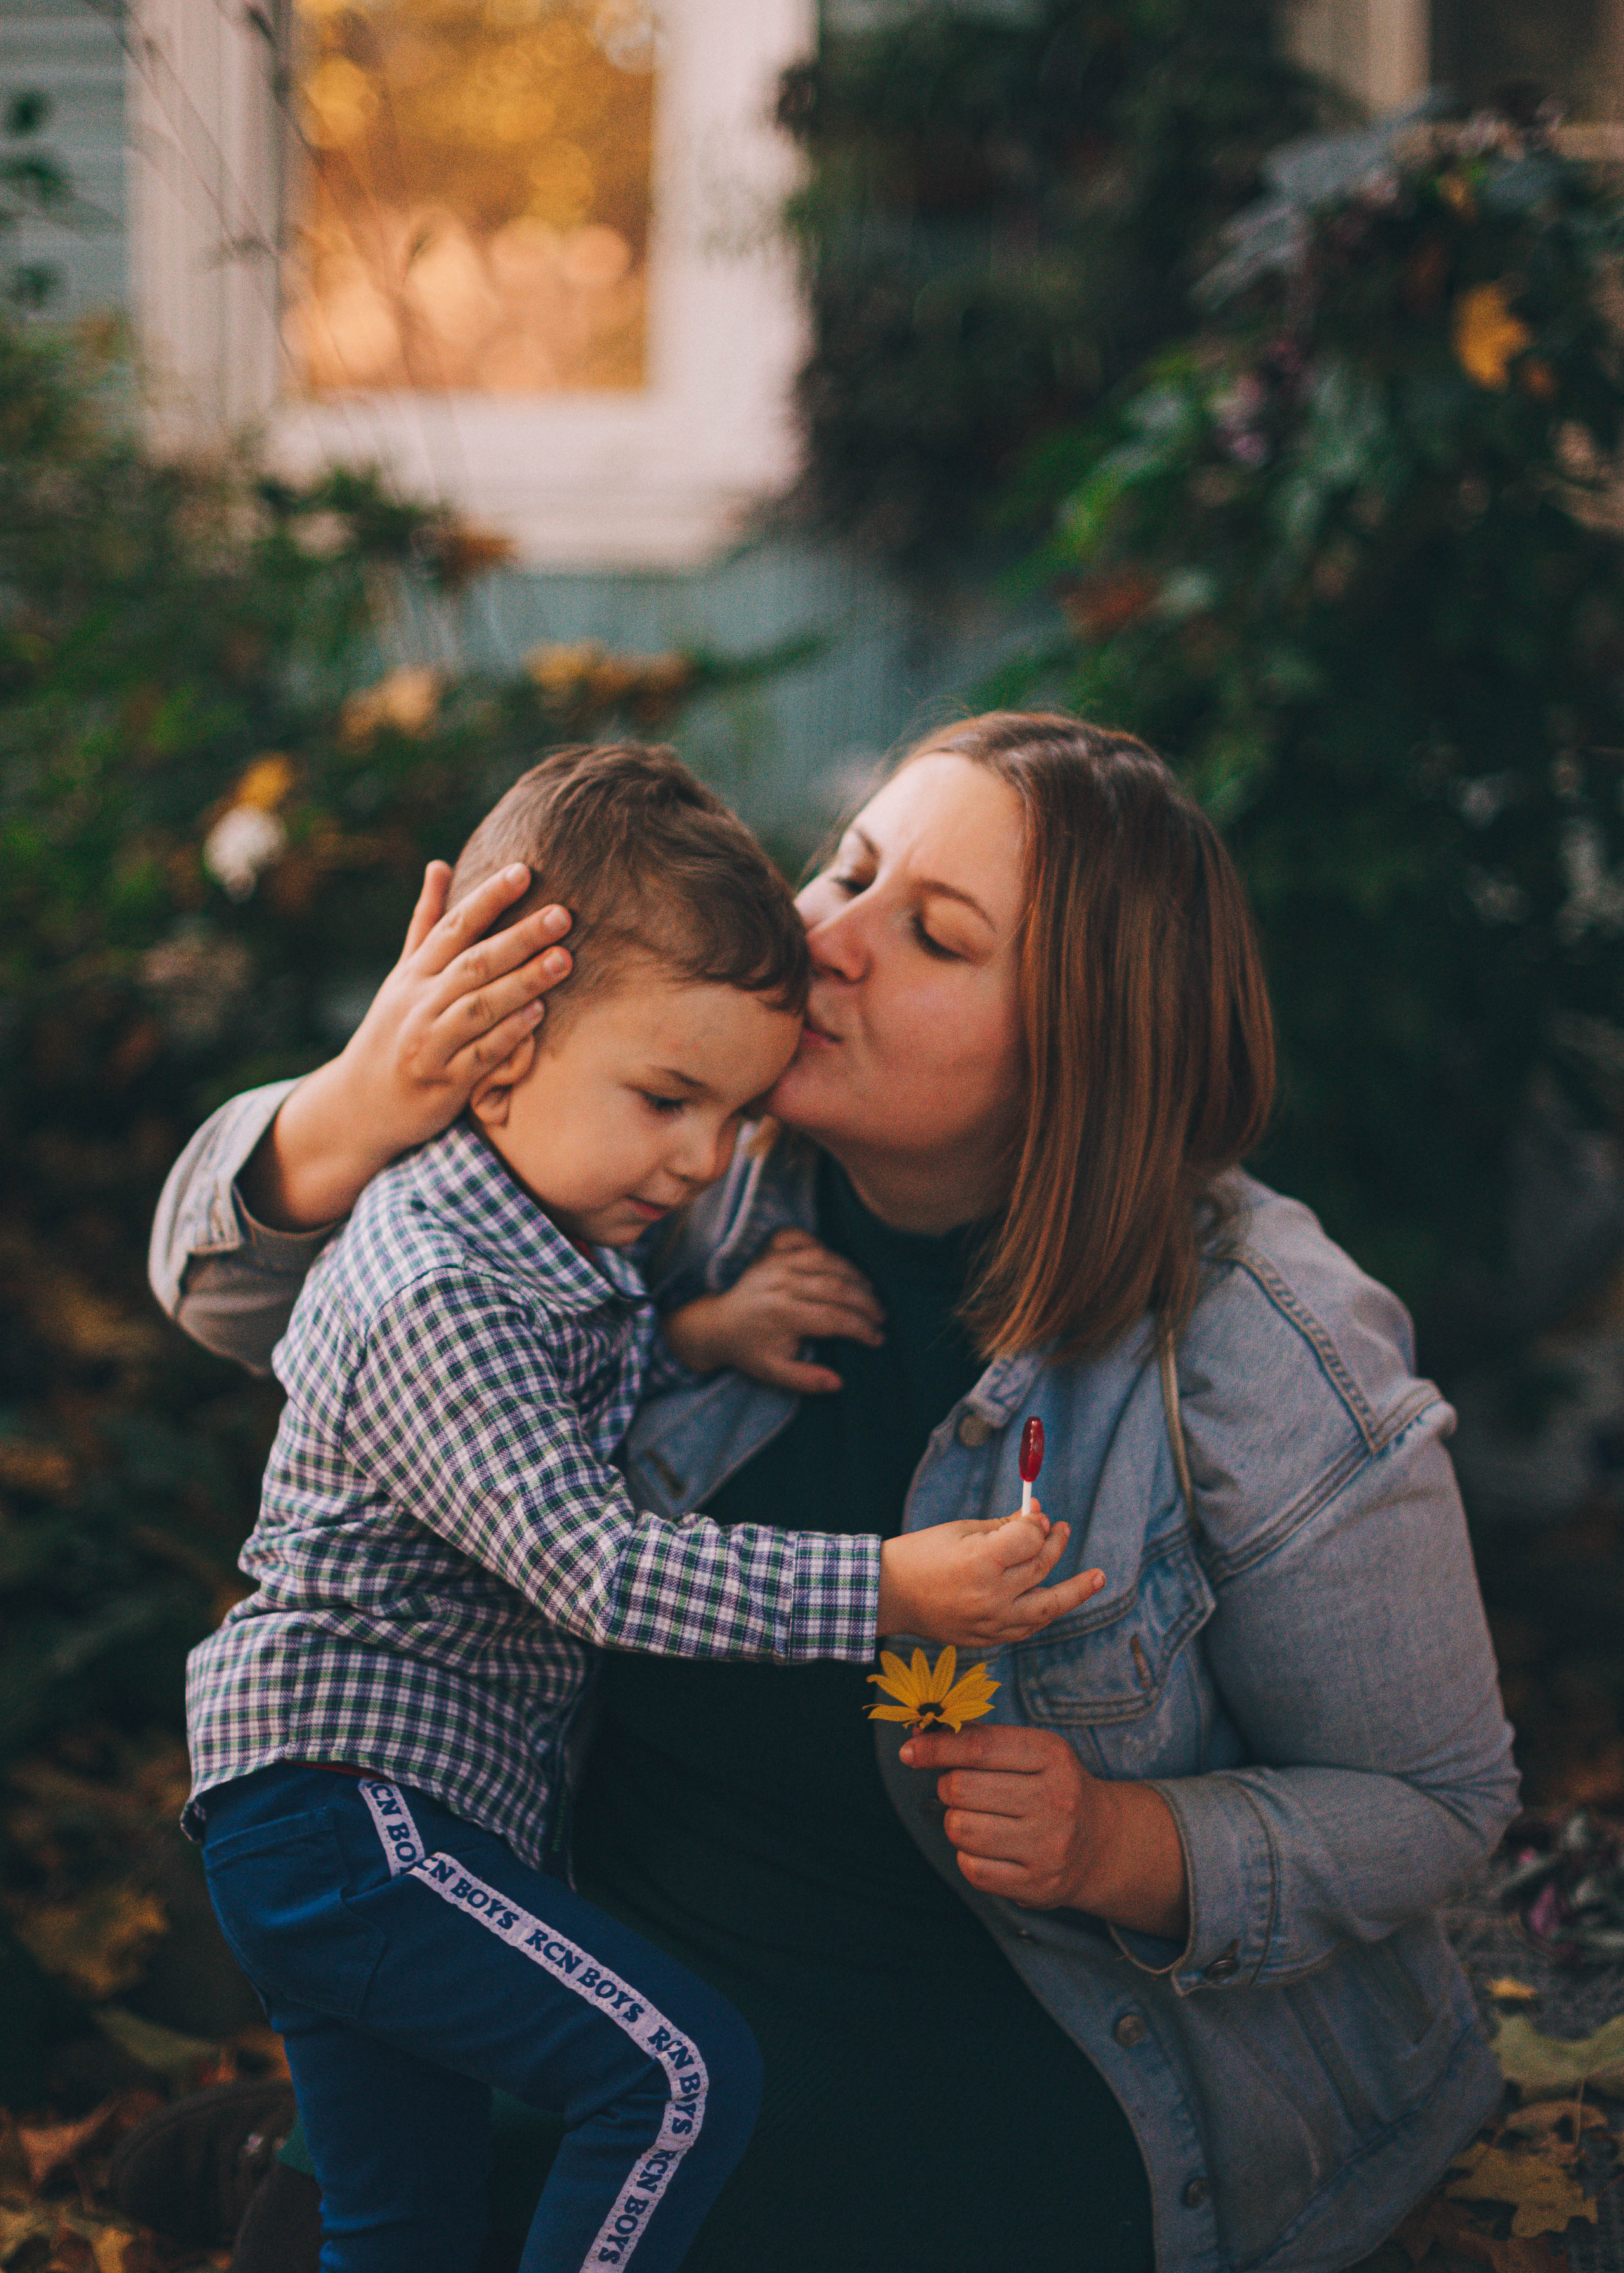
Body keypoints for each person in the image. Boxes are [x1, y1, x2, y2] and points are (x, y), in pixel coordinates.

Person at [147, 712, 1519, 2273]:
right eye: (848, 866)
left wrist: (1123, 1843)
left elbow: (1439, 1803)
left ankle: (283, 2148)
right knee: (352, 2221)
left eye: (930, 934)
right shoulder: (676, 1150)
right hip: (614, 1959)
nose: (828, 941)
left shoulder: (1261, 1347)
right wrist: (365, 1095)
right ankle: (279, 2149)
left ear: (1077, 1046)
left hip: (1016, 2033)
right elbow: (250, 1307)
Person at [181, 744, 1096, 2273]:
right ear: (493, 1042)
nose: (704, 1163)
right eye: (668, 1100)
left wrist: (690, 1337)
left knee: (402, 2227)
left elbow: (527, 1422)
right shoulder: (437, 1281)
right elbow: (594, 1568)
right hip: (350, 1814)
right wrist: (889, 1591)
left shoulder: (544, 1247)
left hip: (360, 1823)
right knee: (674, 2076)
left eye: (734, 1117)